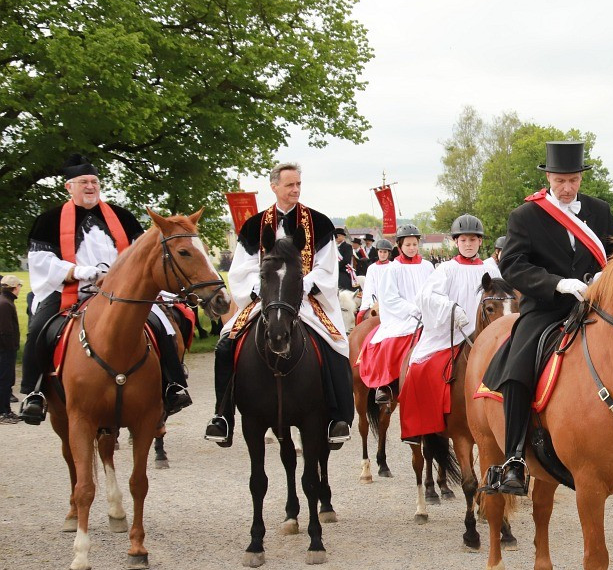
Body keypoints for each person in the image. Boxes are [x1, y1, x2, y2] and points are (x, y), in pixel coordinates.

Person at [483, 140, 613, 495]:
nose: (567, 187)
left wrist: (606, 277)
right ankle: (514, 458)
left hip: (595, 305)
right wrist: (557, 283)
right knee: (517, 367)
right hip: (546, 308)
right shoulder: (526, 215)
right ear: (549, 178)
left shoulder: (599, 210)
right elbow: (512, 264)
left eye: (573, 180)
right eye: (561, 180)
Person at [18, 154, 191, 424]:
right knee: (40, 328)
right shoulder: (48, 220)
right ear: (69, 187)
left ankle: (172, 385)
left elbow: (144, 253)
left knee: (162, 325)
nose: (90, 186)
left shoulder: (122, 217)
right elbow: (41, 261)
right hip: (71, 292)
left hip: (121, 292)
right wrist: (78, 271)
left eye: (95, 182)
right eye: (84, 182)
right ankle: (34, 392)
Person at [204, 162, 353, 448]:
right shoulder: (253, 225)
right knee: (226, 342)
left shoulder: (320, 223)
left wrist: (304, 284)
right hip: (265, 298)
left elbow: (327, 268)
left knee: (336, 344)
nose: (295, 189)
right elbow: (241, 269)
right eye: (289, 185)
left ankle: (338, 417)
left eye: (298, 184)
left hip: (307, 299)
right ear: (274, 187)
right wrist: (263, 289)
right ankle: (223, 417)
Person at [398, 215, 490, 443]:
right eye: (463, 240)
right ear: (456, 242)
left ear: (480, 242)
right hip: (449, 331)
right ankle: (420, 426)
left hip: (484, 334)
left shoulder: (490, 270)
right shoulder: (446, 269)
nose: (468, 244)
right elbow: (426, 296)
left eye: (473, 239)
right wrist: (450, 309)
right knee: (418, 367)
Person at [357, 224, 434, 406]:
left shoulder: (428, 266)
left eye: (415, 244)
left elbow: (434, 290)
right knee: (390, 343)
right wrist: (413, 309)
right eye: (408, 245)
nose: (412, 248)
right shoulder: (393, 268)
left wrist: (429, 307)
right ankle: (386, 385)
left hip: (428, 314)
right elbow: (389, 298)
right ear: (399, 246)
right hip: (402, 316)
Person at [0, 275, 21, 423]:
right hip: (5, 350)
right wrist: (11, 348)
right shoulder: (5, 304)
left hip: (5, 349)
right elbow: (6, 331)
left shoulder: (5, 301)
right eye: (19, 286)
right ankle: (4, 412)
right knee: (5, 381)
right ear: (14, 287)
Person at [357, 238, 393, 319]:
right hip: (374, 301)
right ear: (377, 252)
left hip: (390, 300)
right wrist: (372, 302)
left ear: (388, 253)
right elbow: (369, 287)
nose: (382, 254)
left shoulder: (393, 266)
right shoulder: (372, 268)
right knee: (359, 316)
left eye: (385, 252)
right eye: (380, 252)